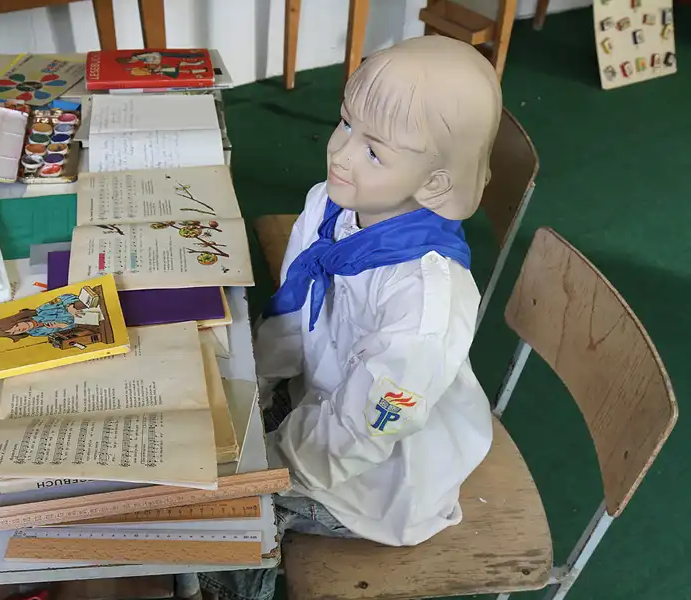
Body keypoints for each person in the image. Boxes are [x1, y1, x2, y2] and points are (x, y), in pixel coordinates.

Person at [198, 36, 502, 600]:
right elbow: (293, 313)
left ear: (435, 181)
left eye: (375, 151)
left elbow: (367, 429)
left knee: (232, 517)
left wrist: (269, 461)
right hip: (319, 392)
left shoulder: (426, 303)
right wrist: (256, 383)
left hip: (379, 467)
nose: (340, 152)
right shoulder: (328, 205)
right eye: (345, 124)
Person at [0, 293, 84, 341]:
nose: (20, 330)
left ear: (17, 320)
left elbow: (65, 297)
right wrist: (61, 325)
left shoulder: (42, 310)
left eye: (16, 326)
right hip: (86, 322)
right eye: (14, 332)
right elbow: (73, 329)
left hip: (85, 308)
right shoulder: (36, 333)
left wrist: (69, 306)